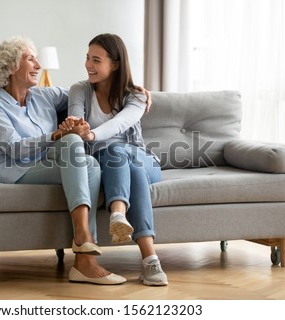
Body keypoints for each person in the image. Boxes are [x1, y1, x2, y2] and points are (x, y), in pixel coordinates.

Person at [0, 36, 126, 285]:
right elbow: (14, 149)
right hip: (11, 170)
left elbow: (85, 91)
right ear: (12, 66)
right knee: (69, 142)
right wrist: (58, 133)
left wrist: (131, 90)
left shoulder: (44, 96)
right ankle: (84, 247)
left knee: (88, 161)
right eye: (31, 59)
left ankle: (83, 252)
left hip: (45, 162)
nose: (38, 65)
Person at [64, 33, 168, 286]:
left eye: (96, 60)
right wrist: (78, 127)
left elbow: (120, 124)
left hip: (143, 159)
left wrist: (90, 134)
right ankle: (150, 260)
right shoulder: (79, 90)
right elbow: (76, 119)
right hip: (111, 164)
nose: (88, 64)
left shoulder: (137, 96)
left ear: (116, 64)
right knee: (128, 167)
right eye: (87, 58)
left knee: (121, 152)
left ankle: (118, 212)